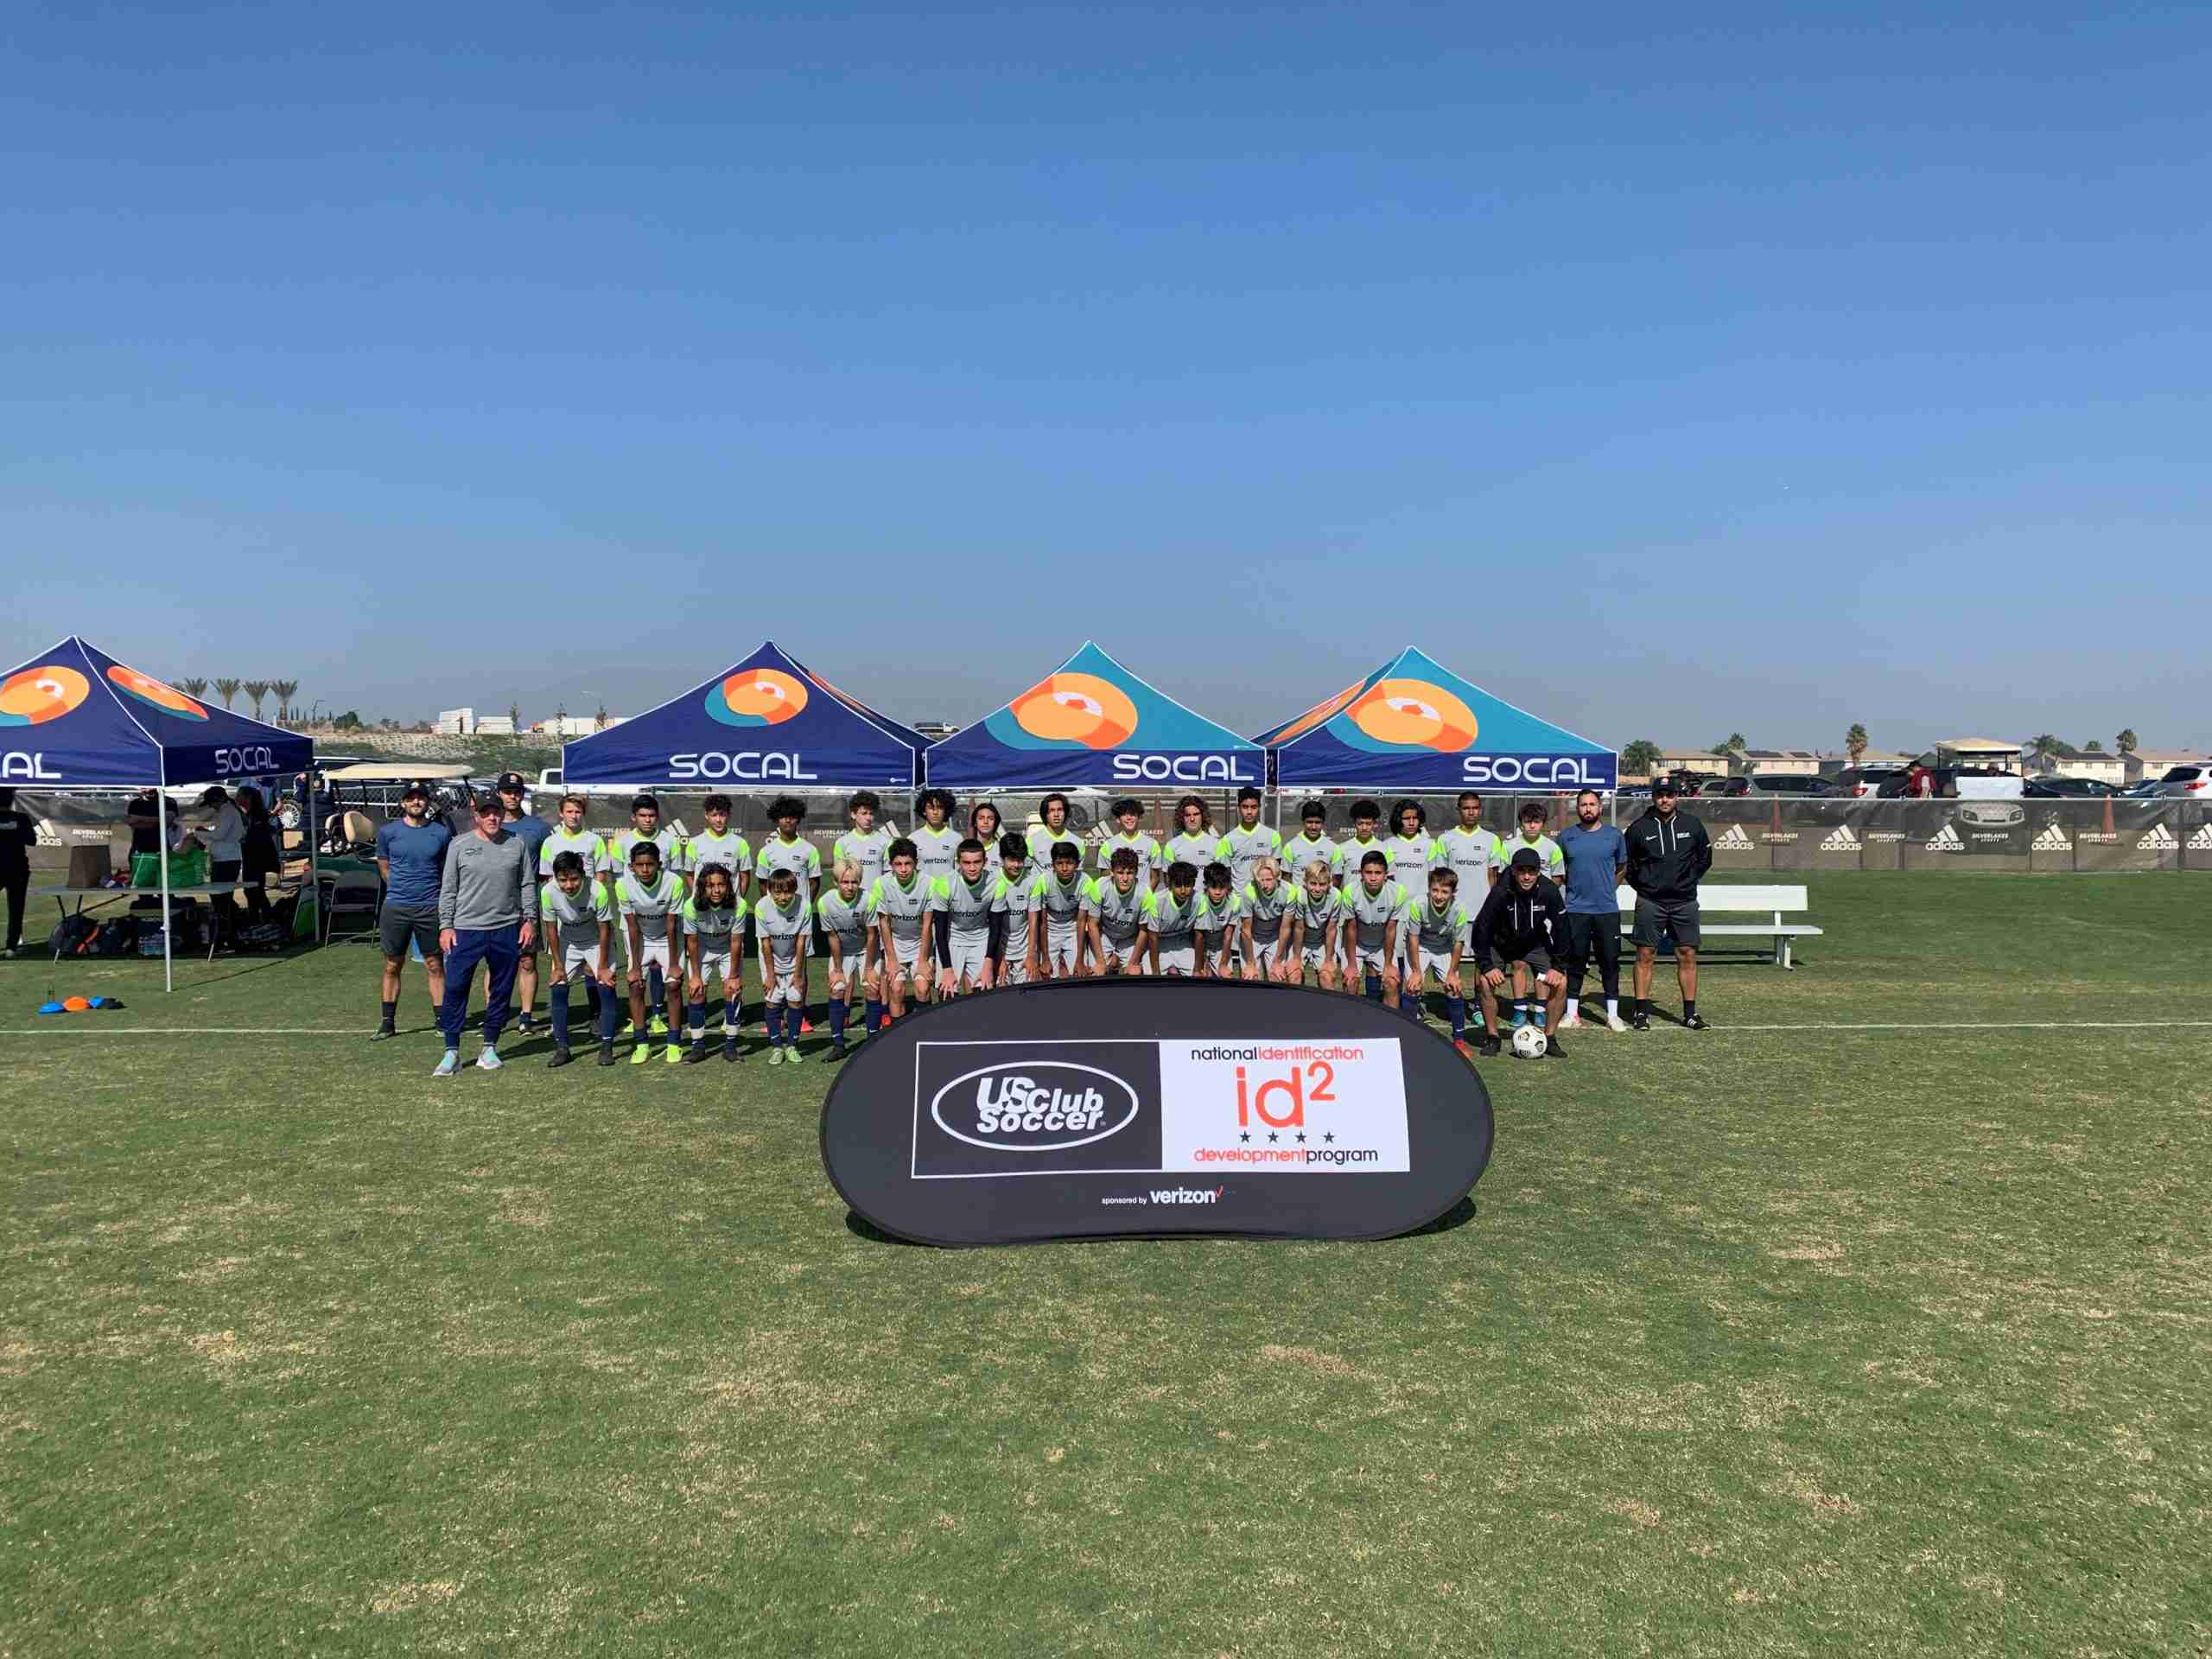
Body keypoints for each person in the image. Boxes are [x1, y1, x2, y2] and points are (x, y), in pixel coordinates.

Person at [433, 792, 537, 1077]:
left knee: (501, 990)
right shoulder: (458, 845)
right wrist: (446, 925)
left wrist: (529, 920)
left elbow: (527, 884)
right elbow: (448, 889)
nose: (492, 817)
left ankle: (490, 1047)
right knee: (455, 988)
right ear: (476, 815)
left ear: (503, 814)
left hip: (506, 928)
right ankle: (451, 1052)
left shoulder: (517, 843)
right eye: (486, 813)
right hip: (465, 929)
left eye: (496, 812)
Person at [1626, 776, 1714, 1030]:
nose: (1664, 799)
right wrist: (1645, 885)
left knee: (1687, 954)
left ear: (1677, 796)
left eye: (1669, 795)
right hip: (1650, 901)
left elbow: (1705, 857)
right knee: (1645, 954)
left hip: (1684, 902)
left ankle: (1690, 1014)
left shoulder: (1692, 824)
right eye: (1660, 795)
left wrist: (1688, 880)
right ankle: (1641, 1013)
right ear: (1653, 797)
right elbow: (1628, 865)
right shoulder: (1639, 828)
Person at [598, 794, 687, 1037]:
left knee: (661, 969)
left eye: (652, 815)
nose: (647, 820)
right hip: (636, 915)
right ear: (633, 817)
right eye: (643, 815)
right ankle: (638, 1018)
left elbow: (675, 875)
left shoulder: (669, 841)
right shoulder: (622, 843)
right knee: (638, 972)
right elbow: (619, 877)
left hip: (663, 914)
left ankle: (657, 1014)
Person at [1470, 848, 1569, 1058]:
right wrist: (1487, 965)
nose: (1526, 877)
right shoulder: (1500, 891)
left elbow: (1563, 928)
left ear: (1539, 872)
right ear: (1513, 870)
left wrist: (1558, 967)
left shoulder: (1549, 890)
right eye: (1521, 871)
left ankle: (1550, 1038)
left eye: (1531, 872)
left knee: (1561, 983)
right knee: (1485, 982)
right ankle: (1493, 1037)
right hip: (1500, 943)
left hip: (1534, 943)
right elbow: (1481, 928)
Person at [372, 782, 452, 1039]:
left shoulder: (440, 833)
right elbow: (384, 867)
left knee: (435, 964)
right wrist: (399, 889)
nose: (416, 802)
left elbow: (446, 871)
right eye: (411, 798)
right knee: (392, 964)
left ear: (427, 802)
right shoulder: (388, 832)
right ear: (403, 803)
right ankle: (387, 1023)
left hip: (430, 907)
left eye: (420, 798)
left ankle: (441, 1021)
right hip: (396, 907)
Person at [1557, 788, 1630, 1032]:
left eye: (1592, 804)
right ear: (1577, 808)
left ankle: (1613, 1015)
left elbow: (1622, 867)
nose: (1587, 808)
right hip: (1576, 910)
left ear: (1600, 807)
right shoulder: (1566, 837)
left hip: (1606, 910)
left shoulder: (1614, 836)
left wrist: (1608, 888)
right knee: (1575, 961)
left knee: (1609, 961)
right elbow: (1560, 870)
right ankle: (1571, 1013)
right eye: (1583, 804)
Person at [539, 849, 619, 1067]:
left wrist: (603, 966)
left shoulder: (598, 890)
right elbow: (550, 929)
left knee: (606, 985)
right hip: (568, 941)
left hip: (596, 940)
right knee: (558, 986)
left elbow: (605, 929)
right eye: (562, 880)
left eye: (574, 879)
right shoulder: (547, 892)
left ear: (583, 875)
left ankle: (607, 1047)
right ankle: (562, 1049)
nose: (569, 885)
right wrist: (558, 966)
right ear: (555, 878)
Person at [615, 839, 687, 1065]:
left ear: (659, 864)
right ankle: (642, 1045)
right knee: (635, 985)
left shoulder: (674, 882)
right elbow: (632, 926)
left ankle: (674, 1044)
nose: (645, 870)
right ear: (631, 867)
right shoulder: (622, 885)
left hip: (668, 938)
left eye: (650, 864)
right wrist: (635, 966)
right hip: (641, 938)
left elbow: (672, 924)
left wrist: (673, 964)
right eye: (639, 865)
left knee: (673, 985)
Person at [495, 772, 552, 1034]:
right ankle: (495, 1013)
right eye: (507, 791)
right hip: (494, 902)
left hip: (527, 902)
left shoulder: (538, 828)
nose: (512, 796)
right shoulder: (490, 823)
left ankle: (526, 1016)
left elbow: (548, 868)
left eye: (517, 791)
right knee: (496, 960)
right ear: (499, 793)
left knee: (527, 960)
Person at [680, 863, 747, 1064]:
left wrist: (733, 976)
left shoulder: (739, 905)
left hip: (727, 949)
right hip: (702, 949)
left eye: (721, 885)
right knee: (696, 992)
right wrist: (695, 976)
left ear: (728, 886)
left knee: (733, 992)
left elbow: (736, 941)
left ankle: (730, 1047)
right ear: (702, 887)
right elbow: (691, 942)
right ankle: (698, 1047)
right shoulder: (691, 906)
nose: (716, 890)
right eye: (710, 885)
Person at [1401, 868, 1472, 1047]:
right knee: (1413, 987)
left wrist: (1453, 973)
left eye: (1444, 892)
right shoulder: (1418, 904)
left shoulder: (1460, 909)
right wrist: (1416, 971)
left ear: (1453, 892)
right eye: (1435, 890)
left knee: (1453, 988)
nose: (1439, 896)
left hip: (1443, 948)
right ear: (1429, 888)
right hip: (1420, 946)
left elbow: (1458, 943)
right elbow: (1413, 937)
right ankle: (1408, 1036)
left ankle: (1459, 1039)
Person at [927, 837, 1004, 998]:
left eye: (977, 862)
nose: (972, 868)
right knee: (947, 994)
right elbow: (940, 931)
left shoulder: (997, 884)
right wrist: (947, 969)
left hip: (980, 939)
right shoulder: (944, 884)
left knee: (985, 993)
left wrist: (988, 963)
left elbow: (996, 927)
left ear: (985, 862)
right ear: (958, 863)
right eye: (966, 863)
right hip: (952, 939)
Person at [755, 868, 816, 1062]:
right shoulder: (762, 907)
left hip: (794, 959)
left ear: (795, 890)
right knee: (772, 1002)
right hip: (770, 960)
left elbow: (801, 942)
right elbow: (765, 944)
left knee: (795, 1001)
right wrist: (770, 975)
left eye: (788, 892)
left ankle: (792, 1046)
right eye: (778, 892)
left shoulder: (804, 905)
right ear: (769, 890)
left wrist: (798, 975)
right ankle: (777, 1048)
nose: (783, 897)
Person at [816, 860, 876, 1052]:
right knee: (837, 989)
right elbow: (832, 937)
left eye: (854, 882)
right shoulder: (825, 903)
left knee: (872, 989)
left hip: (866, 950)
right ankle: (838, 1045)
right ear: (835, 882)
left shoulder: (869, 899)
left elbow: (872, 934)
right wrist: (838, 969)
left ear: (860, 882)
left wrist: (869, 968)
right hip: (842, 952)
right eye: (845, 882)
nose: (850, 887)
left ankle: (873, 1044)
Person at [869, 837, 930, 1020]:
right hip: (895, 944)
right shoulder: (881, 884)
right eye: (898, 864)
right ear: (891, 865)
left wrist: (923, 961)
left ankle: (926, 1031)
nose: (903, 869)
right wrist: (893, 960)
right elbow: (884, 924)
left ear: (916, 863)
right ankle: (899, 1033)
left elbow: (928, 924)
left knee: (923, 988)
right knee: (896, 989)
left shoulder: (929, 883)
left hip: (920, 943)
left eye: (908, 864)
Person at [1339, 850, 1404, 1005]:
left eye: (1378, 873)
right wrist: (1352, 965)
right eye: (1368, 872)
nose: (1373, 878)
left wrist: (1388, 964)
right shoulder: (1350, 891)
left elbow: (1391, 930)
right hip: (1357, 944)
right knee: (1350, 982)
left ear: (1386, 874)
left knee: (1391, 982)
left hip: (1382, 945)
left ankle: (1390, 1020)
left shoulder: (1398, 892)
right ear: (1361, 873)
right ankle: (1350, 1020)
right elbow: (1351, 929)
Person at [189, 785, 247, 946]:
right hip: (225, 859)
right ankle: (229, 932)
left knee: (221, 899)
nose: (211, 807)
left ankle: (227, 934)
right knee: (221, 899)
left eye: (211, 803)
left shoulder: (228, 812)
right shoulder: (226, 812)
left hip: (227, 860)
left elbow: (219, 835)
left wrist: (197, 833)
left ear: (220, 799)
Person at [1079, 849, 1147, 975]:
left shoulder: (1145, 893)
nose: (1125, 878)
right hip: (1105, 935)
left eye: (1130, 873)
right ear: (1111, 872)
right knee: (1097, 973)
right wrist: (1100, 962)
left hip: (1129, 938)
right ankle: (1111, 962)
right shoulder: (1099, 887)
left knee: (1134, 973)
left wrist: (1133, 962)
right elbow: (1092, 924)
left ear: (1136, 872)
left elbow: (1144, 930)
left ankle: (1117, 962)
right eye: (1120, 873)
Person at [1030, 839, 1087, 978]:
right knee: (1047, 975)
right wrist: (1046, 958)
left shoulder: (1085, 882)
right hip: (1050, 931)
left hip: (1072, 930)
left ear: (1077, 864)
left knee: (1080, 974)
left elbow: (1081, 922)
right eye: (1060, 863)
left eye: (1069, 863)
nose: (1065, 868)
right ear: (1053, 865)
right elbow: (1042, 922)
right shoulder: (1043, 881)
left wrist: (1080, 960)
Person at [684, 793, 753, 904]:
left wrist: (738, 900)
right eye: (714, 815)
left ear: (729, 815)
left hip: (729, 905)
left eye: (722, 815)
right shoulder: (694, 843)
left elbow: (744, 877)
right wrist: (698, 896)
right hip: (704, 906)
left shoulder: (740, 843)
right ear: (706, 815)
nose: (718, 820)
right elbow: (689, 875)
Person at [1284, 861, 1342, 988]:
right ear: (1305, 882)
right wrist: (1296, 958)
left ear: (1330, 883)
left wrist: (1328, 959)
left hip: (1322, 941)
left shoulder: (1336, 896)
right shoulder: (1299, 894)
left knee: (1327, 978)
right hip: (1301, 941)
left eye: (1322, 884)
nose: (1317, 889)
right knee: (1294, 976)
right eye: (1313, 883)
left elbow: (1331, 930)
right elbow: (1299, 928)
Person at [1138, 861, 1202, 976]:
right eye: (1178, 885)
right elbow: (1152, 937)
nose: (1183, 891)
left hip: (1182, 942)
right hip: (1159, 943)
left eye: (1188, 885)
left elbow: (1199, 934)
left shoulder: (1200, 900)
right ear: (1170, 884)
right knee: (1150, 977)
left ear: (1193, 883)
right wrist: (1156, 973)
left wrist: (1198, 968)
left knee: (1198, 976)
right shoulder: (1156, 901)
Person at [754, 796, 822, 903]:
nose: (788, 820)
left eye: (792, 816)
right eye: (783, 816)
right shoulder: (766, 851)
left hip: (800, 909)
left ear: (798, 819)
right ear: (776, 820)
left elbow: (814, 882)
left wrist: (807, 905)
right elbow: (763, 883)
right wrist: (769, 905)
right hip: (774, 909)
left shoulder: (810, 850)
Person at [995, 835, 1040, 984]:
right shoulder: (993, 880)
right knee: (1001, 993)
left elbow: (1033, 921)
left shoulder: (1032, 880)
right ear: (1002, 858)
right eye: (1012, 860)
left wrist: (1031, 955)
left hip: (1025, 953)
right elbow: (992, 925)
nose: (1016, 865)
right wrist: (1000, 958)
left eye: (1020, 860)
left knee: (1027, 993)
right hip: (1000, 952)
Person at [233, 786, 279, 935]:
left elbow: (255, 835)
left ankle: (267, 918)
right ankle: (255, 918)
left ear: (248, 798)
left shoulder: (258, 814)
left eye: (239, 795)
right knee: (251, 889)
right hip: (250, 856)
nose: (236, 798)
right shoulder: (249, 814)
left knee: (256, 889)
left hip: (258, 857)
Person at [1217, 787, 1282, 891]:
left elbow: (1276, 871)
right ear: (1238, 808)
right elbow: (1225, 874)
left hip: (1264, 896)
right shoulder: (1228, 839)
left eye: (1253, 807)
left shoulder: (1272, 836)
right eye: (1245, 807)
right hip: (1239, 897)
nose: (1249, 812)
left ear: (1260, 807)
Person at [1241, 858, 1294, 982]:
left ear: (1277, 876)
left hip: (1275, 936)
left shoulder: (1289, 891)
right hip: (1253, 936)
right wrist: (1250, 963)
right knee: (1251, 978)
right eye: (1261, 880)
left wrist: (1278, 961)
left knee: (1277, 976)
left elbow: (1285, 928)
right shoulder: (1248, 892)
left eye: (1269, 879)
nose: (1265, 885)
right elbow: (1246, 930)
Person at [833, 792, 894, 896]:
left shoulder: (886, 842)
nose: (869, 818)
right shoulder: (842, 843)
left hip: (877, 900)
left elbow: (889, 876)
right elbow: (839, 876)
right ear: (853, 815)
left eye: (871, 813)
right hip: (852, 900)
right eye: (864, 813)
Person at [1095, 798, 1161, 889]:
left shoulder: (1152, 844)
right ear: (1118, 819)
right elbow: (1104, 877)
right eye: (1124, 814)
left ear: (1139, 817)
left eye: (1133, 814)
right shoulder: (1108, 845)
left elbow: (1155, 878)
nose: (1129, 818)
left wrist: (1146, 895)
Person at [1279, 801, 1339, 895]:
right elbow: (1286, 879)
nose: (1313, 827)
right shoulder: (1290, 846)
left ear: (1323, 823)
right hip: (1298, 902)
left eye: (1318, 822)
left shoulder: (1334, 848)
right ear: (1303, 822)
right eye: (1309, 822)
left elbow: (1336, 880)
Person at [1194, 861, 1243, 977]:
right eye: (1213, 887)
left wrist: (1223, 964)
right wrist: (1200, 965)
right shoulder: (1199, 900)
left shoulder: (1235, 901)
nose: (1217, 892)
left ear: (1228, 886)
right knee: (1201, 976)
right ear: (1206, 885)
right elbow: (1199, 937)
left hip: (1220, 945)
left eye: (1222, 888)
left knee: (1227, 976)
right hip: (1199, 945)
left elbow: (1228, 935)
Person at [0, 788, 34, 957]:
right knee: (16, 909)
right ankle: (11, 947)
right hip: (17, 868)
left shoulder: (21, 818)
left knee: (16, 908)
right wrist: (15, 832)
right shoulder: (21, 819)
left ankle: (11, 946)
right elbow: (32, 840)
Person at [1382, 798, 1434, 901]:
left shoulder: (1430, 844)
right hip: (1396, 904)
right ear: (1398, 820)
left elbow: (1433, 876)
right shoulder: (1387, 845)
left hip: (1422, 904)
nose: (1411, 823)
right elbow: (1386, 878)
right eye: (1406, 819)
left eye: (1415, 818)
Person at [909, 790, 962, 886]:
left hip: (948, 893)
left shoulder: (957, 838)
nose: (935, 812)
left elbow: (960, 872)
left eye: (940, 807)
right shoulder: (913, 839)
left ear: (946, 811)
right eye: (931, 808)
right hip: (923, 892)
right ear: (924, 811)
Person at [1338, 800, 1386, 892]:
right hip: (1350, 899)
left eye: (1368, 824)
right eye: (1360, 823)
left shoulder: (1385, 848)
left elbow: (1389, 879)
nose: (1364, 828)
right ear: (1354, 824)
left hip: (1377, 899)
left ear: (1374, 824)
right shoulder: (1342, 848)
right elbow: (1336, 881)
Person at [1027, 793, 1076, 880]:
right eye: (1052, 810)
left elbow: (1077, 875)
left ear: (1066, 813)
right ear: (1045, 814)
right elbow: (1025, 872)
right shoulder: (1031, 841)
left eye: (1060, 810)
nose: (1056, 814)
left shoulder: (1077, 843)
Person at [1165, 797, 1217, 875]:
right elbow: (1168, 879)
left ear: (1203, 816)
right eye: (1188, 815)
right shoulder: (1171, 846)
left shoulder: (1216, 844)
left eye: (1196, 814)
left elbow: (1222, 879)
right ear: (1182, 818)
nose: (1192, 819)